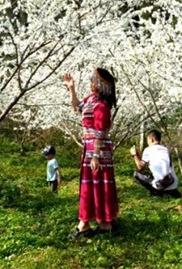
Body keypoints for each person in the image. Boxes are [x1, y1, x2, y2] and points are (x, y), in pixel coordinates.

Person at [64, 68, 119, 238]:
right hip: (89, 146)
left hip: (98, 148)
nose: (90, 83)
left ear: (99, 85)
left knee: (98, 184)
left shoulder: (102, 106)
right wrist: (71, 88)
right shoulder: (91, 100)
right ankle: (92, 223)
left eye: (92, 81)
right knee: (90, 184)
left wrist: (95, 155)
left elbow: (101, 131)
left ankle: (98, 223)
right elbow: (76, 107)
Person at [130, 129, 181, 198]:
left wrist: (134, 155)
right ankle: (171, 193)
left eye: (147, 140)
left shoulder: (148, 150)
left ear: (151, 139)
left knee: (137, 173)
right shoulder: (166, 149)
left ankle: (155, 193)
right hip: (172, 183)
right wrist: (139, 155)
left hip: (160, 184)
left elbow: (140, 167)